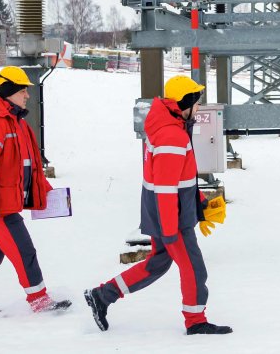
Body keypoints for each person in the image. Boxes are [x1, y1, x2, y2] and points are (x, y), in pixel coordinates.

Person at [84, 75, 231, 336]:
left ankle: (103, 295)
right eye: (196, 103)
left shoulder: (170, 128)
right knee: (194, 267)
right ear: (183, 103)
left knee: (158, 264)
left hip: (168, 213)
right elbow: (165, 187)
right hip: (170, 218)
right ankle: (196, 321)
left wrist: (198, 203)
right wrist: (170, 227)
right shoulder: (172, 135)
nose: (198, 108)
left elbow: (175, 179)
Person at [0, 66, 71, 316]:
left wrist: (45, 192)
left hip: (5, 203)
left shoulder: (17, 122)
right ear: (9, 91)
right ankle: (38, 299)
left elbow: (29, 165)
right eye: (23, 90)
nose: (27, 95)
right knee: (23, 250)